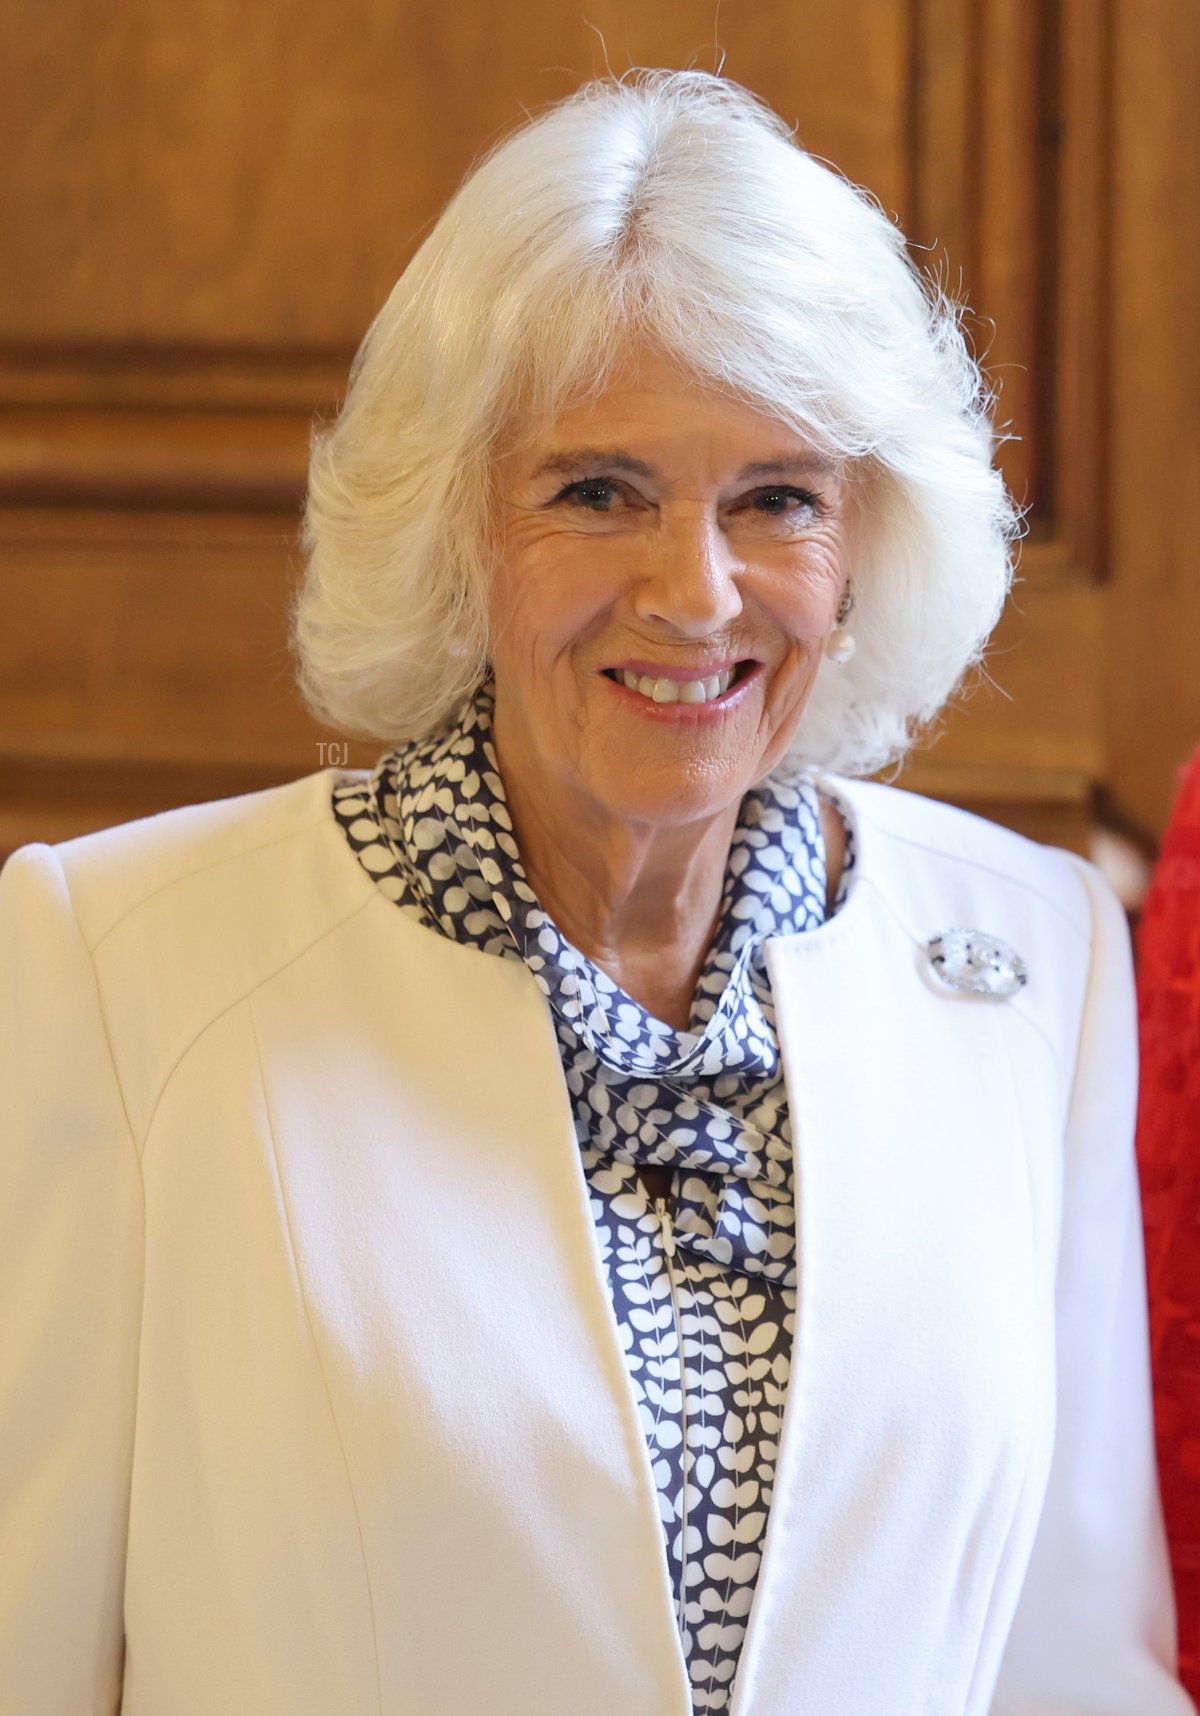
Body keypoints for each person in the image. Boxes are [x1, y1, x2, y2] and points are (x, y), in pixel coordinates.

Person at [0, 70, 1190, 1716]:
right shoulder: (121, 968)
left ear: (862, 545)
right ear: (458, 526)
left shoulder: (1033, 958)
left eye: (777, 496)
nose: (694, 591)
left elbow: (1074, 1672)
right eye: (596, 491)